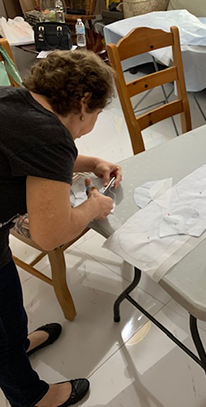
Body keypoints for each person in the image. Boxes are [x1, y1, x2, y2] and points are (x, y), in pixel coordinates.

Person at [0, 50, 122, 407]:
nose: (93, 121)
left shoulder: (16, 99)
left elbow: (33, 153)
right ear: (84, 102)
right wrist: (93, 206)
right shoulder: (51, 135)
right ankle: (32, 397)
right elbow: (49, 235)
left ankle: (17, 345)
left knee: (8, 297)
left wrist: (93, 161)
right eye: (97, 113)